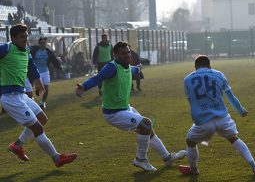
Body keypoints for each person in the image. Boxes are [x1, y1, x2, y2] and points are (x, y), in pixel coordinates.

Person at [75, 41, 186, 171]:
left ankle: (167, 157)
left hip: (125, 108)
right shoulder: (112, 67)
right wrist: (83, 86)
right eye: (123, 53)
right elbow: (97, 78)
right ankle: (140, 159)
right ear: (115, 55)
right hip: (113, 113)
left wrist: (138, 67)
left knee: (148, 129)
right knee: (146, 124)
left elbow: (133, 69)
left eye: (128, 52)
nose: (128, 55)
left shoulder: (127, 66)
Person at [0, 24, 77, 167]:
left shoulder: (26, 50)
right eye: (22, 37)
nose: (26, 39)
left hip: (21, 95)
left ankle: (17, 145)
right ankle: (57, 158)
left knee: (42, 119)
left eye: (26, 36)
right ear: (13, 38)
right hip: (10, 98)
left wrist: (38, 82)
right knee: (38, 128)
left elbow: (31, 67)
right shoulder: (6, 48)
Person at [178, 55, 255, 176]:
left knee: (190, 142)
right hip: (222, 118)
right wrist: (241, 110)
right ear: (209, 65)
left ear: (195, 67)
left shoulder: (187, 79)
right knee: (234, 139)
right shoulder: (219, 74)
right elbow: (231, 97)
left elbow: (191, 101)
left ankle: (194, 169)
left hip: (203, 122)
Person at [29, 37, 63, 109]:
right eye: (41, 43)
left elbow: (54, 61)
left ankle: (42, 102)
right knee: (38, 86)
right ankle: (37, 88)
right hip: (36, 72)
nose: (43, 44)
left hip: (45, 71)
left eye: (44, 43)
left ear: (46, 44)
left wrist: (60, 68)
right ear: (39, 44)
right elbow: (28, 58)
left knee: (46, 88)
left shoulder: (49, 52)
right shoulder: (34, 51)